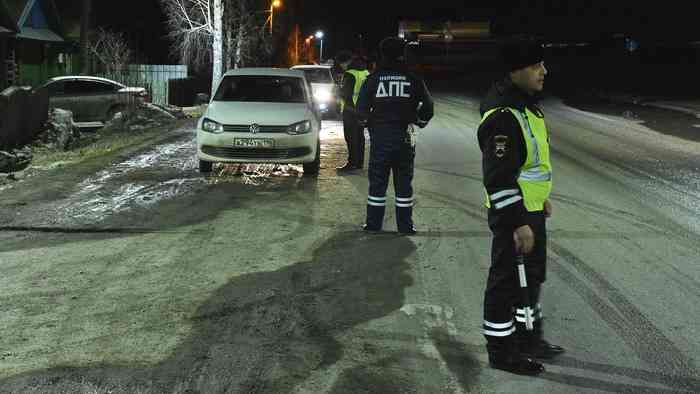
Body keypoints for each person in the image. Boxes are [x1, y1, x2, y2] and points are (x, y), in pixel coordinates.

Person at [477, 37, 564, 375]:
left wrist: (540, 198)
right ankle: (502, 352)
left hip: (529, 210)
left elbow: (530, 164)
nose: (544, 70)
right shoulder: (503, 116)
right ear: (516, 70)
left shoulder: (526, 106)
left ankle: (528, 338)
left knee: (533, 276)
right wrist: (516, 221)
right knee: (507, 283)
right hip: (513, 215)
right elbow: (498, 178)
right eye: (535, 65)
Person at [356, 37, 434, 234]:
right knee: (403, 183)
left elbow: (361, 110)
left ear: (382, 54)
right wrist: (419, 121)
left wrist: (368, 124)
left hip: (381, 138)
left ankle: (373, 225)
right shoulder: (413, 79)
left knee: (377, 182)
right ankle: (405, 227)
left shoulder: (374, 79)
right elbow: (429, 106)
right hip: (405, 138)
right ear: (403, 54)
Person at [337, 52, 370, 172]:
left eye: (342, 64)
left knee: (350, 137)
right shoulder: (365, 72)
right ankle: (359, 163)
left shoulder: (350, 74)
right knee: (360, 137)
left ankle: (351, 164)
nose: (342, 67)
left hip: (350, 110)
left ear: (346, 62)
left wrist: (338, 91)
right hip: (362, 110)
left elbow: (345, 94)